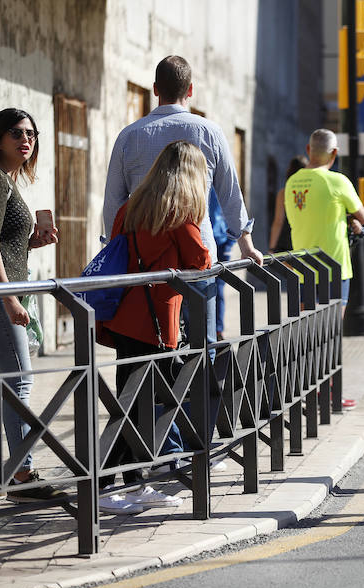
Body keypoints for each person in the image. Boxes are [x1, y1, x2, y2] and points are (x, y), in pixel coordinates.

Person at [103, 55, 263, 446]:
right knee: (200, 351)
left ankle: (156, 443)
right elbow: (230, 194)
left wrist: (114, 252)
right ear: (190, 91)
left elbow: (113, 203)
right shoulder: (207, 131)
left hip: (144, 267)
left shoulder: (129, 135)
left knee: (148, 355)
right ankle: (196, 443)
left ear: (155, 89)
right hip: (197, 261)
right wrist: (247, 243)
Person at [96, 141, 212, 514]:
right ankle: (101, 486)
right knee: (135, 406)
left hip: (126, 316)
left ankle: (134, 483)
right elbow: (201, 259)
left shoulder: (131, 206)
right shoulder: (179, 212)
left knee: (132, 400)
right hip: (157, 322)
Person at [0, 108, 63, 503]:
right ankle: (23, 475)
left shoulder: (5, 182)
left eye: (31, 133)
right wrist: (10, 297)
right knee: (18, 381)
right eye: (15, 132)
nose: (25, 139)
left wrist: (30, 243)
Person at [282, 129, 364, 314]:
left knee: (307, 332)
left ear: (308, 149)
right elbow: (363, 217)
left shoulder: (291, 183)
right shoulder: (338, 181)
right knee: (331, 334)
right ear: (334, 152)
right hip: (333, 268)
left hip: (303, 268)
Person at [268, 155, 308, 253]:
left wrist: (272, 248)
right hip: (306, 239)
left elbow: (278, 221)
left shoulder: (284, 193)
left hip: (286, 242)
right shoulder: (311, 192)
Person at [209, 188, 235, 341]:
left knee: (218, 288)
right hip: (199, 240)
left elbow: (232, 208)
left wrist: (229, 244)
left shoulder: (218, 179)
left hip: (220, 242)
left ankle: (217, 330)